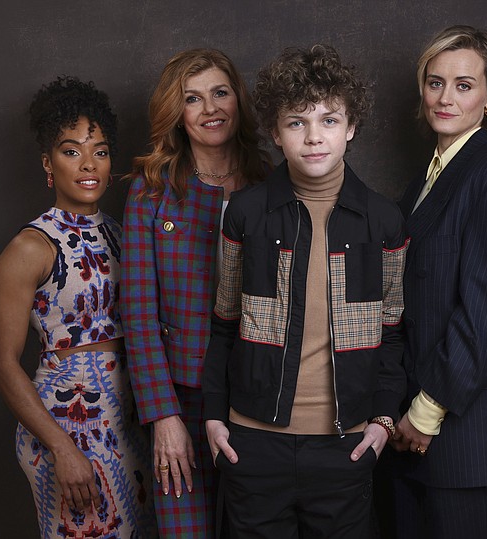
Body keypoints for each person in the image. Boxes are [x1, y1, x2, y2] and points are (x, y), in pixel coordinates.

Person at [202, 44, 408, 539]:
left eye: (329, 120)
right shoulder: (246, 214)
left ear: (351, 127)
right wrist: (213, 419)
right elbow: (224, 325)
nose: (314, 137)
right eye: (297, 122)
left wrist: (382, 422)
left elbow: (393, 334)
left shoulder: (384, 221)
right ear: (275, 132)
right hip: (252, 446)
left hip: (345, 447)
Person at [387, 25, 487, 538]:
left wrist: (425, 414)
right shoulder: (423, 181)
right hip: (415, 441)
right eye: (435, 82)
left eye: (464, 85)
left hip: (470, 444)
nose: (445, 97)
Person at [0, 76, 156, 538]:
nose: (89, 164)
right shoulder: (31, 246)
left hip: (126, 424)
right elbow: (4, 365)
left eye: (100, 151)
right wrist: (62, 448)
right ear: (48, 163)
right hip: (66, 423)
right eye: (71, 150)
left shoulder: (123, 235)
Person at [121, 48, 269, 537]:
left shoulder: (272, 183)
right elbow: (138, 316)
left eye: (220, 93)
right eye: (193, 98)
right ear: (176, 114)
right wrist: (162, 416)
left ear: (238, 99)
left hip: (260, 400)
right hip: (180, 401)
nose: (211, 109)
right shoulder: (150, 192)